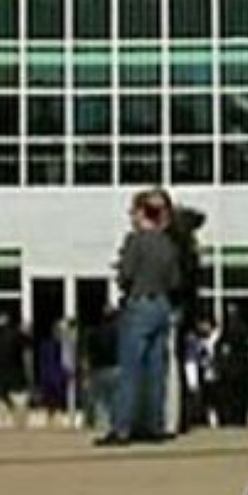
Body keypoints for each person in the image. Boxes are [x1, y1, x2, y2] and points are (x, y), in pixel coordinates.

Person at [98, 189, 181, 446]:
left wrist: (124, 277)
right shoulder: (168, 244)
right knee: (156, 370)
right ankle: (153, 425)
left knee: (130, 369)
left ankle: (122, 427)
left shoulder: (136, 240)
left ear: (143, 213)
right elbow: (175, 280)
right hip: (162, 305)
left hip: (140, 302)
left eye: (134, 211)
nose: (131, 216)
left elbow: (126, 275)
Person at [81, 307, 119, 431]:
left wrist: (87, 371)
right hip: (115, 368)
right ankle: (115, 425)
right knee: (115, 399)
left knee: (100, 401)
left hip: (98, 370)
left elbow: (88, 354)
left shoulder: (93, 333)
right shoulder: (119, 333)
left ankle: (102, 426)